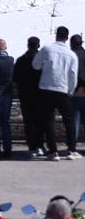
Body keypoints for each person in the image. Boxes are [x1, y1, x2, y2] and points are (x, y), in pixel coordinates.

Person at [37, 26, 80, 158]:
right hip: (63, 89)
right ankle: (71, 149)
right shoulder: (71, 54)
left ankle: (53, 151)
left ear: (56, 35)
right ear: (67, 38)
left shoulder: (47, 49)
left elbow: (35, 65)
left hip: (46, 88)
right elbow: (73, 75)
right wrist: (70, 91)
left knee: (48, 121)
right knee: (69, 121)